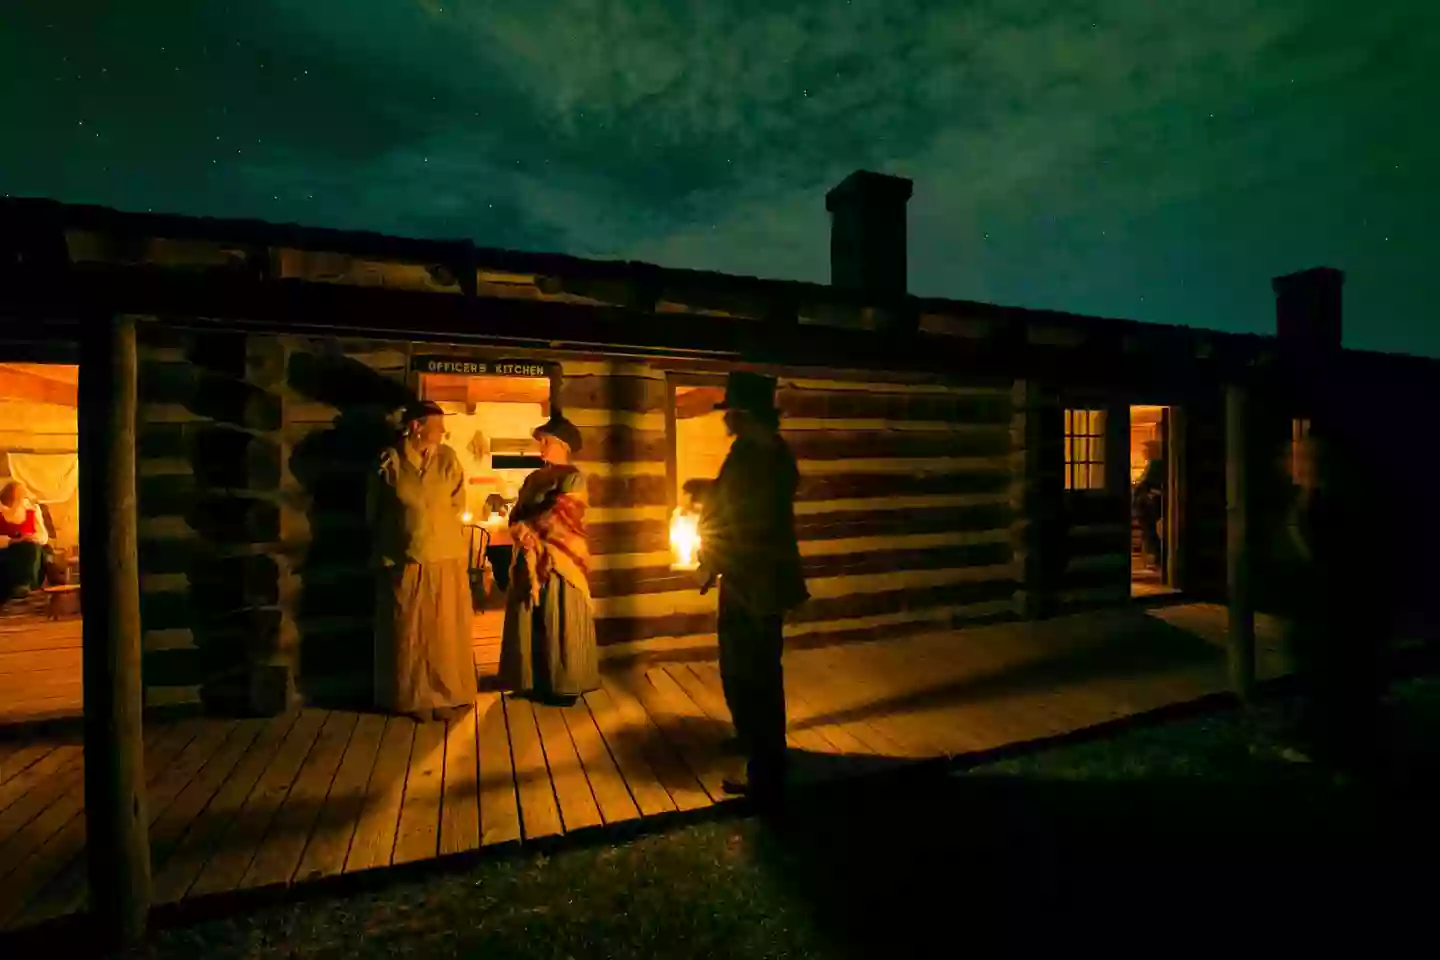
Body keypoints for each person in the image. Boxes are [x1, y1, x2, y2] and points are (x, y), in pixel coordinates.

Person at [698, 372, 809, 804]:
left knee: (757, 675)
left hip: (758, 582)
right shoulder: (755, 453)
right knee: (740, 668)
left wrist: (713, 560)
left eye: (731, 414)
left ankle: (767, 771)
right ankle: (753, 742)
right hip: (746, 578)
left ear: (746, 416)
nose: (726, 422)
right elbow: (731, 504)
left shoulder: (764, 458)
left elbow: (751, 521)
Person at [369, 400, 478, 723]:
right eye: (437, 426)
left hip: (445, 555)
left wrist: (438, 526)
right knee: (409, 630)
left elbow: (458, 502)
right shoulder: (390, 460)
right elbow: (373, 510)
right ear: (416, 426)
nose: (443, 432)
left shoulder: (447, 459)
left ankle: (447, 694)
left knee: (443, 629)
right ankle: (413, 697)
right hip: (404, 558)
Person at [498, 413, 599, 704]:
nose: (540, 447)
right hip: (530, 553)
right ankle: (530, 680)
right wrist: (517, 526)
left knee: (558, 616)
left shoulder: (572, 477)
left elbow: (562, 513)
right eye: (540, 441)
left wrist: (528, 529)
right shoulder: (534, 477)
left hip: (559, 556)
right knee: (530, 616)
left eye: (545, 441)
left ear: (562, 445)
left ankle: (564, 683)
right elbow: (517, 511)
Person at [0, 481, 51, 600]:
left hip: (30, 549)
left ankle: (25, 586)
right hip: (6, 550)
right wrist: (12, 541)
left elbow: (43, 536)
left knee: (31, 549)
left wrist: (30, 537)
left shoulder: (32, 510)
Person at [1132, 439, 1165, 575]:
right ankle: (1153, 556)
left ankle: (1155, 557)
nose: (1144, 452)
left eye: (1147, 450)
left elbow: (1146, 483)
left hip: (1150, 505)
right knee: (1148, 530)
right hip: (1148, 503)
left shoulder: (1155, 464)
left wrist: (1138, 488)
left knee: (1149, 529)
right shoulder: (1152, 464)